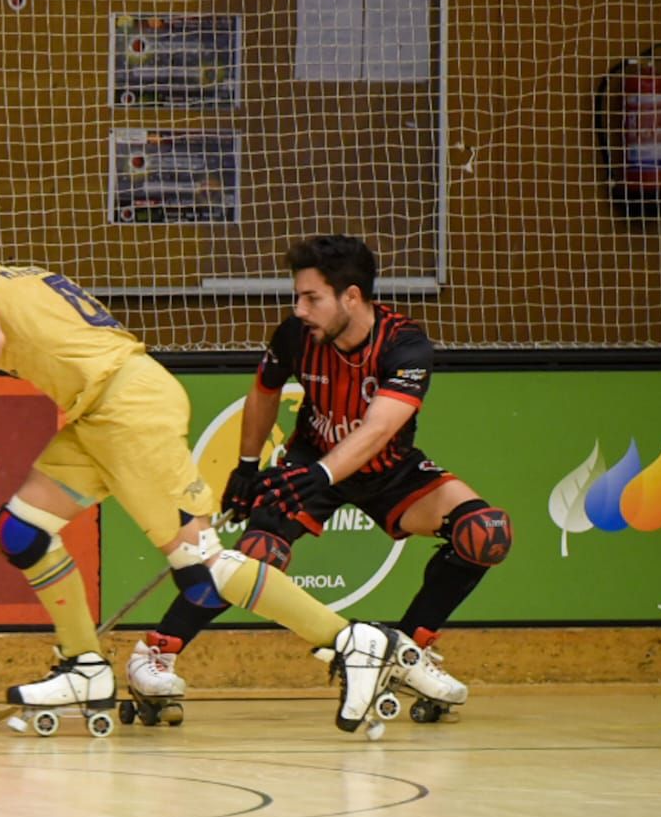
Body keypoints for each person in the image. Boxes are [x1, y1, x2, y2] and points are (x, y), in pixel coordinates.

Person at [0, 213, 404, 735]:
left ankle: (351, 641)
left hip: (127, 409)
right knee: (21, 531)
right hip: (101, 410)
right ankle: (85, 668)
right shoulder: (13, 275)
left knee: (203, 566)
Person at [129, 234, 512, 718]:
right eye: (297, 296)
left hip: (385, 466)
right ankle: (156, 655)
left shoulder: (406, 346)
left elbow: (378, 429)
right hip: (311, 458)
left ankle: (404, 653)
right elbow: (264, 392)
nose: (300, 309)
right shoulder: (295, 336)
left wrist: (323, 474)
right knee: (257, 552)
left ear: (351, 297)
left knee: (485, 532)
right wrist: (247, 467)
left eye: (312, 298)